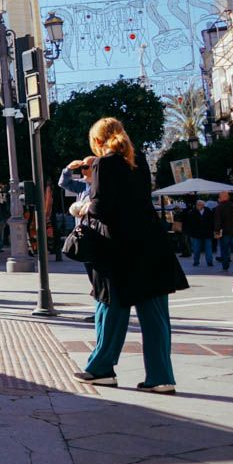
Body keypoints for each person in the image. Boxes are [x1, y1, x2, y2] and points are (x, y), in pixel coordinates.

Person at [70, 117, 188, 392]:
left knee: (110, 307)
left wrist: (83, 208)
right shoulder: (139, 160)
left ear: (97, 141)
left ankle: (101, 368)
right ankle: (161, 377)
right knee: (155, 316)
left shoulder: (103, 163)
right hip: (152, 245)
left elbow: (101, 208)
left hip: (119, 249)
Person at [184, 199, 217, 268]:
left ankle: (209, 262)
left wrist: (212, 230)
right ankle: (196, 261)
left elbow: (212, 222)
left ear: (203, 205)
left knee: (208, 249)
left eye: (199, 204)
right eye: (197, 204)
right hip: (196, 234)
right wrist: (191, 232)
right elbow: (189, 223)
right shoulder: (193, 212)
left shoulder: (208, 212)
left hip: (207, 234)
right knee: (196, 249)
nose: (197, 206)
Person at [215, 192, 233, 272]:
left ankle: (225, 266)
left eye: (219, 196)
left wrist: (217, 231)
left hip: (224, 232)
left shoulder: (219, 207)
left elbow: (217, 221)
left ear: (223, 197)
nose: (219, 198)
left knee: (225, 250)